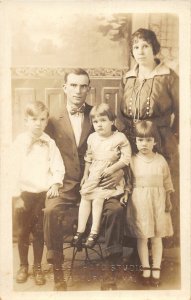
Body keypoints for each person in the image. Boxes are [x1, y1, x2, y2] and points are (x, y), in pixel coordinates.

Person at [44, 68, 125, 291]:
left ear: (89, 88)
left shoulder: (99, 115)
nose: (78, 91)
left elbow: (120, 146)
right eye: (73, 85)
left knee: (115, 210)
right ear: (65, 88)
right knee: (51, 210)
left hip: (100, 183)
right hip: (67, 185)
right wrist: (52, 181)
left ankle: (109, 270)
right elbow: (45, 155)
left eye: (83, 86)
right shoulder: (52, 119)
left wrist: (119, 172)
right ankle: (58, 272)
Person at [120, 27, 179, 246]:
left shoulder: (169, 76)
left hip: (162, 141)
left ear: (154, 48)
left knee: (160, 190)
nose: (141, 51)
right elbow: (121, 113)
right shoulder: (128, 77)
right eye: (136, 47)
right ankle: (137, 244)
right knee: (137, 190)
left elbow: (183, 112)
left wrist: (174, 138)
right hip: (134, 141)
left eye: (145, 46)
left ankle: (163, 247)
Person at [11, 101, 65, 286]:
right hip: (24, 194)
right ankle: (23, 266)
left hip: (42, 194)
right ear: (26, 121)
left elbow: (58, 166)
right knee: (23, 232)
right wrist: (16, 196)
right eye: (33, 119)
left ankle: (37, 267)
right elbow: (11, 169)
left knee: (40, 232)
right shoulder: (19, 143)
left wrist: (56, 183)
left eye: (42, 119)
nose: (38, 123)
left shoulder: (50, 143)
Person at [72, 103, 131, 249]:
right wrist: (85, 174)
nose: (99, 125)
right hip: (94, 174)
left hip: (108, 177)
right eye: (96, 121)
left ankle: (94, 232)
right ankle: (80, 230)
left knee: (98, 199)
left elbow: (126, 159)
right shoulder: (92, 138)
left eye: (103, 120)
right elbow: (88, 157)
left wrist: (112, 169)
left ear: (112, 121)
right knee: (85, 196)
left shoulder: (119, 138)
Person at [126, 120, 174, 287]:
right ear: (135, 141)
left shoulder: (160, 160)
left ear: (155, 141)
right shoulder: (132, 160)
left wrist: (168, 200)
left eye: (148, 140)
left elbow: (167, 183)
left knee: (156, 237)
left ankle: (156, 268)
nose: (144, 144)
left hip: (158, 203)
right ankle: (145, 268)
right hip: (140, 202)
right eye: (140, 140)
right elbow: (128, 183)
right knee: (142, 236)